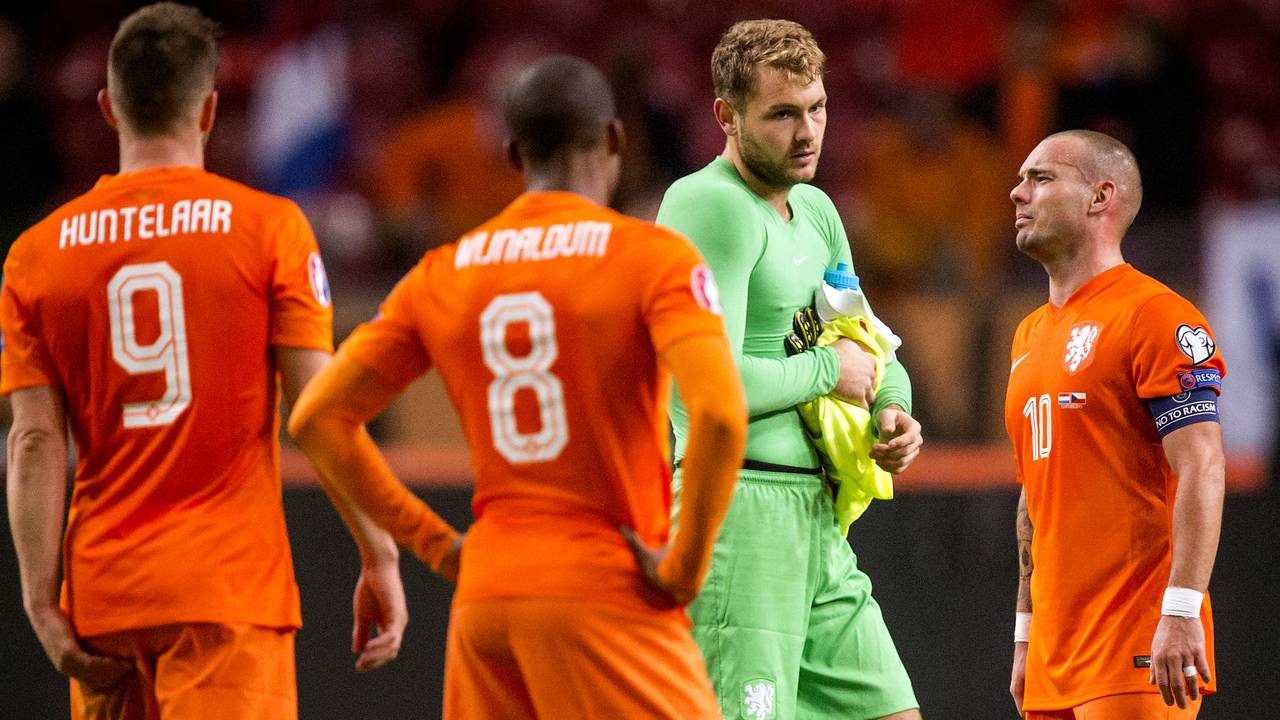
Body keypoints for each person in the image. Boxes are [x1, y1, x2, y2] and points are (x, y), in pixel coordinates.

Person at [287, 54, 747, 720]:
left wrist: (437, 547)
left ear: (513, 154)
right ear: (615, 139)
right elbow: (722, 417)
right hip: (603, 589)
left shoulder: (444, 271)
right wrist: (684, 569)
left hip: (487, 599)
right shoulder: (651, 258)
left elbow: (316, 419)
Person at [2, 5, 405, 718]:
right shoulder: (268, 228)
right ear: (211, 110)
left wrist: (39, 597)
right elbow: (317, 412)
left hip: (102, 600)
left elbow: (33, 440)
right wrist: (380, 553)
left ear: (107, 108)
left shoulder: (36, 255)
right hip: (228, 596)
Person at [655, 19, 924, 720]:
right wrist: (824, 374)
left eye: (818, 109)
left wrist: (893, 407)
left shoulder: (815, 210)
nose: (807, 133)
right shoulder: (705, 205)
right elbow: (704, 385)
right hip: (735, 514)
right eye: (781, 115)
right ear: (726, 116)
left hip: (815, 521)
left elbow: (864, 337)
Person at [1005, 130, 1226, 719]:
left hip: (1136, 644)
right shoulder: (1028, 336)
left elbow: (1202, 463)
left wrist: (1180, 611)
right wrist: (1026, 633)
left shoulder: (1155, 316)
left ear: (1100, 197)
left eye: (1041, 178)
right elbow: (1035, 497)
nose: (1016, 192)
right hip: (1055, 655)